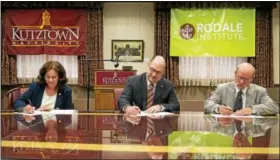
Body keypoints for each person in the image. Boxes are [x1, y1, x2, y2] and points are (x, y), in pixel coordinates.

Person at [204, 62, 279, 116]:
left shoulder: (260, 91)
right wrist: (218, 108)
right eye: (240, 77)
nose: (242, 81)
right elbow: (207, 104)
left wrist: (252, 109)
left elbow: (274, 107)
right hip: (228, 128)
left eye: (246, 79)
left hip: (248, 128)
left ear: (252, 79)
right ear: (235, 74)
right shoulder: (222, 88)